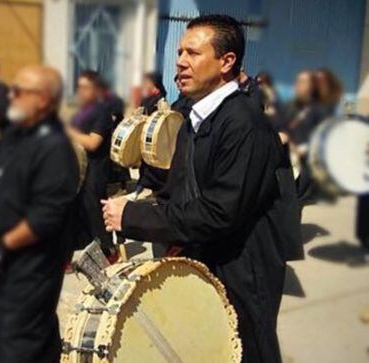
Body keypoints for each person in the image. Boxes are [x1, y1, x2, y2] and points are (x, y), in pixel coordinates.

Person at [103, 14, 302, 363]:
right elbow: (183, 191)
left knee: (246, 350)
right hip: (206, 257)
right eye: (179, 51)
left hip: (242, 272)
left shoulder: (245, 124)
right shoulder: (194, 119)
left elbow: (219, 211)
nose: (180, 61)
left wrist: (134, 218)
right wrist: (150, 209)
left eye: (193, 53)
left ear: (226, 62)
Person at [0, 65, 80, 362]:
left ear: (44, 100)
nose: (11, 96)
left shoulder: (56, 150)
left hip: (32, 265)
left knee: (21, 338)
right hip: (7, 260)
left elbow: (44, 218)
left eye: (19, 92)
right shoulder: (14, 135)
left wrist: (3, 245)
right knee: (6, 329)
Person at [68, 70, 116, 257]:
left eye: (85, 87)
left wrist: (68, 131)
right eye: (79, 87)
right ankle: (83, 250)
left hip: (95, 170)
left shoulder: (102, 113)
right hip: (79, 169)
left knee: (94, 211)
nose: (81, 91)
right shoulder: (80, 112)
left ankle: (109, 252)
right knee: (77, 212)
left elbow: (93, 143)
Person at [281, 70, 326, 203]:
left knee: (297, 201)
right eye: (298, 82)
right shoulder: (289, 106)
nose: (298, 85)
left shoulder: (319, 110)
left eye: (302, 82)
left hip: (305, 164)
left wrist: (302, 148)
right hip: (287, 161)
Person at [138, 72, 169, 193]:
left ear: (155, 87)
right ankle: (142, 186)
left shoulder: (161, 103)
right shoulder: (146, 101)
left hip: (155, 143)